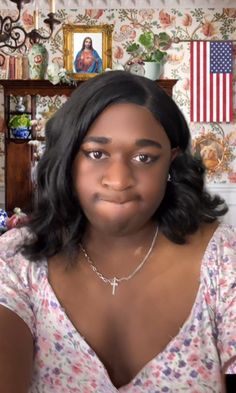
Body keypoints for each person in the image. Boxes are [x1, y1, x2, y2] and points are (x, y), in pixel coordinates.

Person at [0, 71, 235, 392]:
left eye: (144, 157)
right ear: (68, 158)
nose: (119, 179)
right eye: (97, 154)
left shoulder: (222, 258)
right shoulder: (18, 259)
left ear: (171, 162)